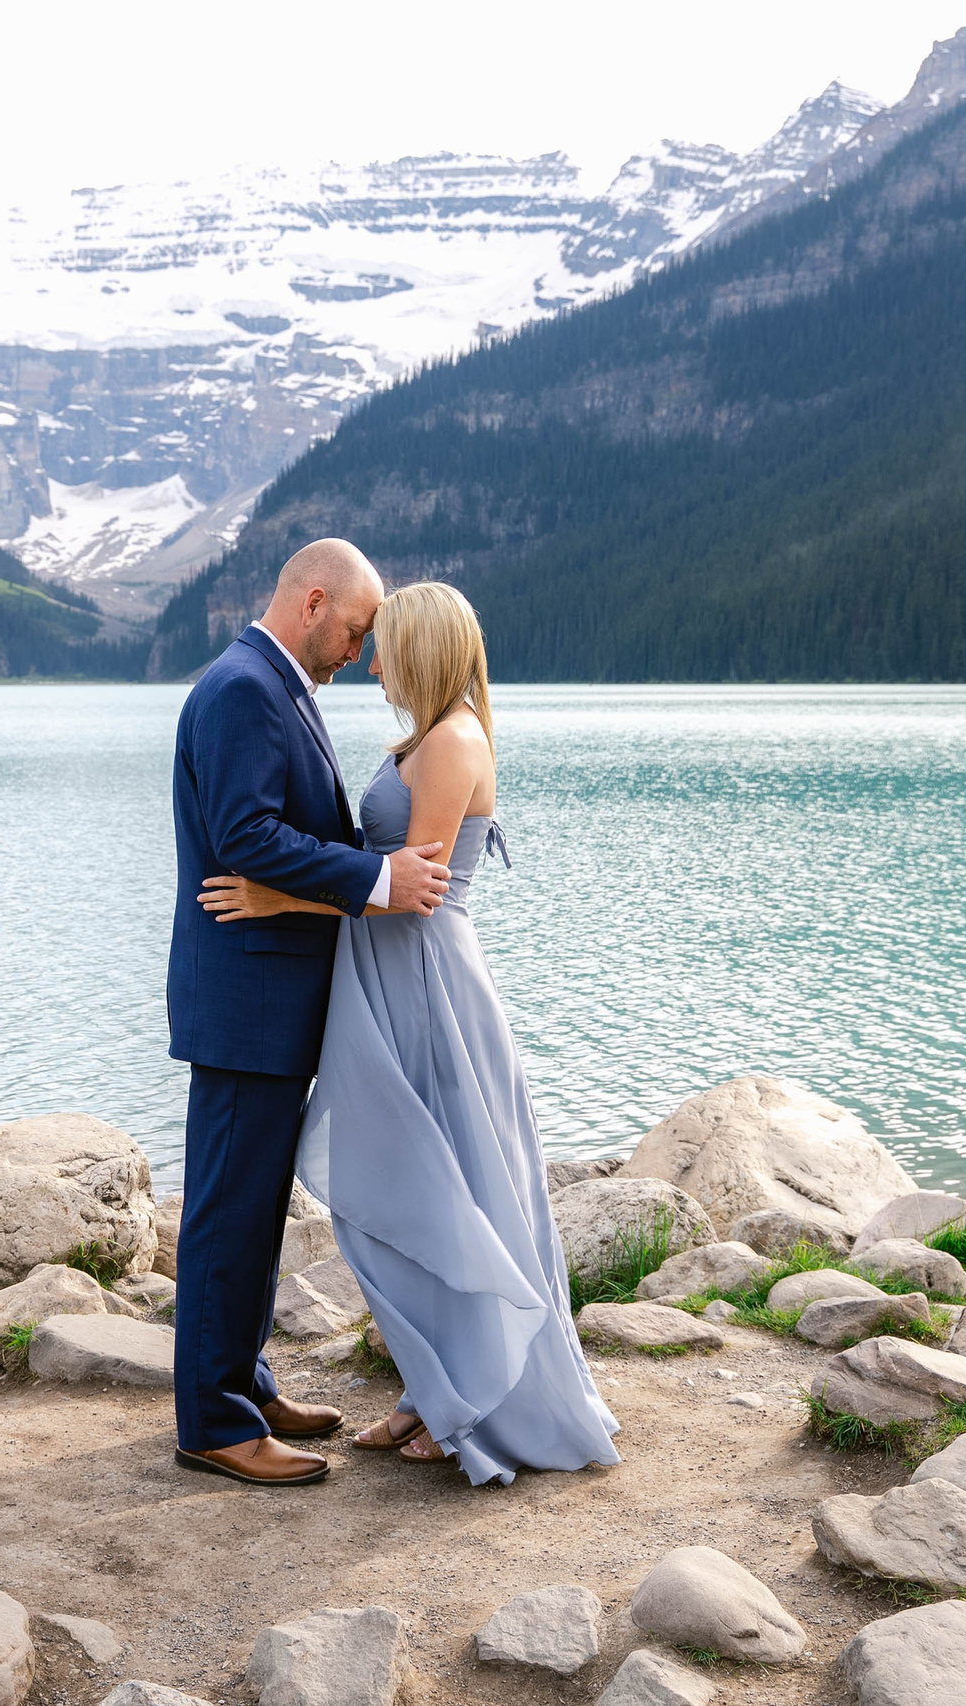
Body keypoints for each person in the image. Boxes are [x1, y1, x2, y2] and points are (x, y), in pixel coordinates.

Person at [199, 580, 621, 1486]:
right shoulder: (426, 739)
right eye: (365, 637)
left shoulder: (454, 740)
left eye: (383, 643)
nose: (370, 660)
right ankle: (429, 1387)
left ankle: (476, 1402)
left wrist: (278, 897)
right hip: (394, 980)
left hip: (431, 989)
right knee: (422, 1186)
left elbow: (413, 890)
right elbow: (380, 872)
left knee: (455, 1187)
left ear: (423, 647)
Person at [165, 539, 452, 1487]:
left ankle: (243, 1385)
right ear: (313, 602)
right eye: (356, 630)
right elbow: (246, 833)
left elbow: (285, 830)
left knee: (253, 1210)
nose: (360, 652)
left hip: (267, 997)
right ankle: (213, 1424)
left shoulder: (274, 685)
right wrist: (376, 876)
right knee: (226, 1214)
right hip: (245, 1000)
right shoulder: (244, 689)